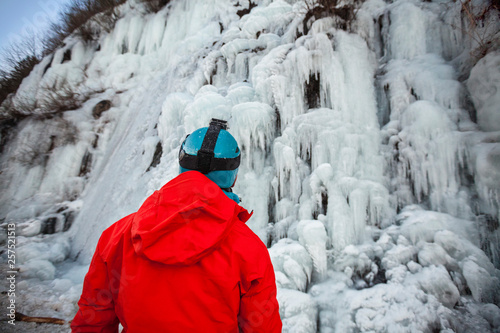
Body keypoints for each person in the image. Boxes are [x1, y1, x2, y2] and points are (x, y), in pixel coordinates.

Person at [71, 119, 282, 333]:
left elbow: (92, 320)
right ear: (233, 177)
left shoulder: (118, 235)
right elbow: (262, 327)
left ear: (181, 165)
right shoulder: (248, 249)